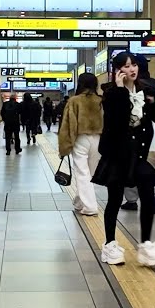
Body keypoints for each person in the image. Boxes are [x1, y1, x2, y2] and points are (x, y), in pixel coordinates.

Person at [93, 51, 155, 268]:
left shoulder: (146, 89)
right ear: (117, 70)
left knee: (148, 197)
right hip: (117, 154)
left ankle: (146, 245)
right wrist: (122, 91)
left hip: (142, 154)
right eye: (125, 66)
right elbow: (116, 123)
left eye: (133, 64)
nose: (131, 69)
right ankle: (110, 245)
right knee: (114, 200)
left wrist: (153, 102)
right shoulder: (111, 93)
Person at [59, 73, 104, 216]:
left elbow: (68, 124)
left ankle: (90, 207)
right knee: (89, 173)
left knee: (82, 173)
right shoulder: (100, 100)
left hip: (80, 139)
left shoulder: (74, 101)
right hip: (98, 139)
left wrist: (65, 146)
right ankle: (79, 201)